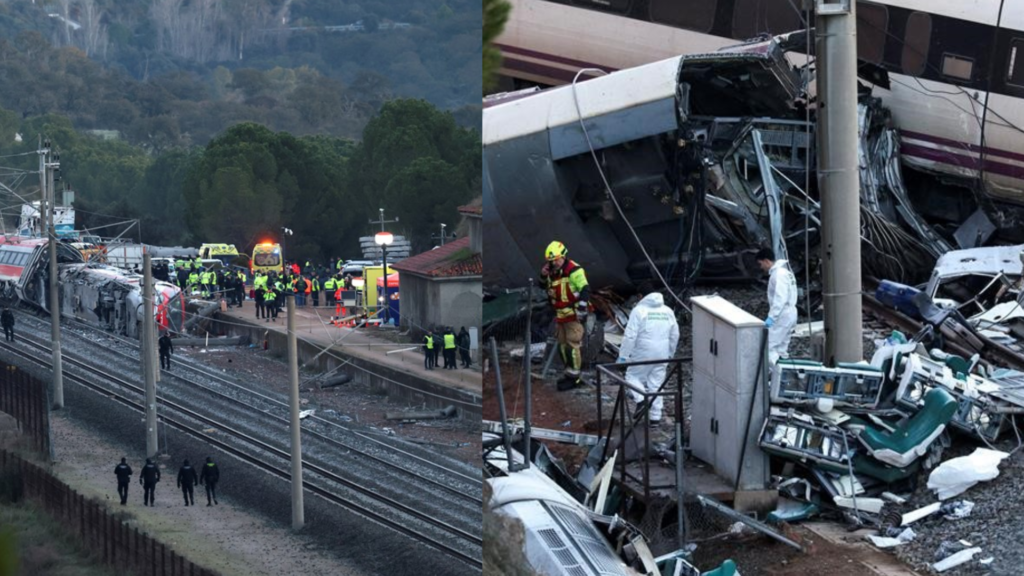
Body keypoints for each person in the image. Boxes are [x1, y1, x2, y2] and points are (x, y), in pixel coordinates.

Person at [617, 283, 679, 424]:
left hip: (643, 351)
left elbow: (630, 335)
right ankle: (655, 418)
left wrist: (623, 356)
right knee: (656, 383)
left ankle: (641, 400)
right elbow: (675, 334)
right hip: (663, 351)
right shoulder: (667, 310)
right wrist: (671, 353)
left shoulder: (639, 310)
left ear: (640, 296)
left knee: (632, 376)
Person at [540, 241, 590, 391]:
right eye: (551, 261)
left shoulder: (574, 271)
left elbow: (585, 289)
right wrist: (542, 276)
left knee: (572, 345)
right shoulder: (553, 273)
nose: (553, 263)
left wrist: (582, 308)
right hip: (560, 315)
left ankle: (575, 376)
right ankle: (569, 373)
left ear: (563, 256)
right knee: (562, 346)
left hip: (573, 316)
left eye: (556, 259)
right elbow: (543, 286)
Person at [756, 247, 798, 364]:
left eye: (760, 264)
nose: (761, 267)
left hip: (782, 314)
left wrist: (771, 317)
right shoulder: (786, 272)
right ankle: (785, 377)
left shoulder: (778, 274)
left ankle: (774, 376)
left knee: (769, 347)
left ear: (766, 261)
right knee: (782, 349)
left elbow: (780, 298)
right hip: (790, 312)